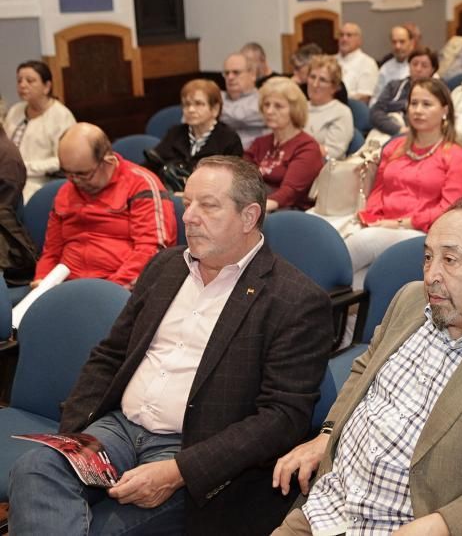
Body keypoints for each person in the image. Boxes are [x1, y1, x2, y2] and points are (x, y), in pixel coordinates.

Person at [9, 156, 333, 534]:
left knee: (102, 528)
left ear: (248, 217)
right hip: (119, 429)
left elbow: (282, 417)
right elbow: (111, 355)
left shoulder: (294, 298)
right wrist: (74, 435)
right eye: (187, 203)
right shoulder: (166, 267)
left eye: (207, 206)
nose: (189, 216)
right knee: (35, 467)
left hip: (193, 449)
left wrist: (179, 471)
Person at [271, 200, 462, 535]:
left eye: (450, 260)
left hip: (408, 524)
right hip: (328, 506)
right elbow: (363, 371)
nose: (431, 275)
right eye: (428, 257)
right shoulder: (410, 300)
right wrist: (327, 436)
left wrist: (443, 525)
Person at [343, 78, 462, 288]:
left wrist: (400, 223)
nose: (418, 110)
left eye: (427, 104)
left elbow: (449, 211)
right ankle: (348, 319)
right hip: (382, 226)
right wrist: (373, 217)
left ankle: (311, 288)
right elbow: (378, 190)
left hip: (425, 233)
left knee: (364, 241)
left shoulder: (456, 156)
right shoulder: (394, 147)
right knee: (358, 281)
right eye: (414, 103)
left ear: (444, 110)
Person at [33, 123, 177, 289]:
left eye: (82, 174)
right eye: (67, 173)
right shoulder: (66, 192)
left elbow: (152, 250)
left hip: (122, 289)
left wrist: (109, 292)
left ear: (107, 161)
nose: (74, 181)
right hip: (68, 288)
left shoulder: (141, 184)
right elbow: (52, 251)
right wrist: (42, 279)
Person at [145, 79, 244, 192]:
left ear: (215, 109)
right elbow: (151, 165)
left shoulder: (229, 139)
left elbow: (232, 184)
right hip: (172, 195)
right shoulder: (175, 133)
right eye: (187, 104)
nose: (191, 110)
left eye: (198, 104)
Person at [244, 77, 324, 212]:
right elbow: (242, 180)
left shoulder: (307, 147)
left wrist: (254, 210)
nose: (269, 111)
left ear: (294, 110)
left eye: (278, 106)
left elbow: (289, 192)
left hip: (288, 212)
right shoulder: (259, 143)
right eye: (266, 105)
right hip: (256, 207)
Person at [4, 60, 77, 200]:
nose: (22, 85)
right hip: (8, 175)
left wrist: (26, 167)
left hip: (38, 182)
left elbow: (63, 160)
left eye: (30, 81)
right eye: (19, 80)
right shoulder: (15, 111)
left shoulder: (61, 115)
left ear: (47, 86)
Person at [369, 47, 438, 138]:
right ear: (409, 66)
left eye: (424, 66)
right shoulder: (393, 86)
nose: (418, 69)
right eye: (414, 64)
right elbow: (375, 112)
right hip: (389, 128)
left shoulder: (438, 91)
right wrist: (397, 129)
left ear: (432, 70)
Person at [303, 55, 354, 161]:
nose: (315, 84)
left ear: (334, 87)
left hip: (324, 170)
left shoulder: (341, 112)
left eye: (322, 80)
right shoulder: (299, 107)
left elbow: (333, 153)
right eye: (312, 77)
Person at [220, 52, 267, 149]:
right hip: (218, 155)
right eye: (226, 73)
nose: (230, 77)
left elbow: (239, 118)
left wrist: (215, 112)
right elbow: (186, 119)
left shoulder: (264, 99)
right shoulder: (219, 96)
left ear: (253, 75)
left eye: (236, 72)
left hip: (251, 157)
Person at [336, 22, 379, 104]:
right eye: (341, 35)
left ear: (359, 40)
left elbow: (365, 97)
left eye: (349, 35)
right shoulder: (331, 61)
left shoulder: (368, 63)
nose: (344, 39)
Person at [372, 25, 414, 103]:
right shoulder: (385, 68)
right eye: (394, 42)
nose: (397, 46)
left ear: (411, 43)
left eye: (402, 42)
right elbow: (376, 98)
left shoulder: (420, 66)